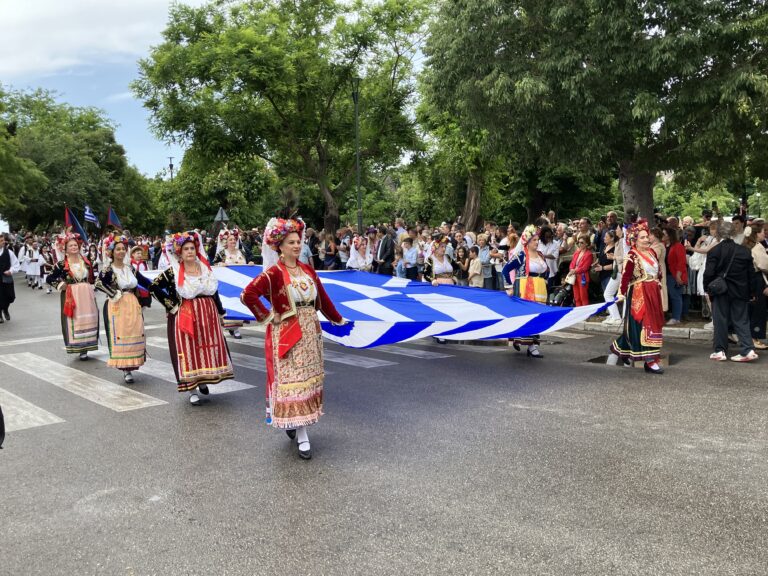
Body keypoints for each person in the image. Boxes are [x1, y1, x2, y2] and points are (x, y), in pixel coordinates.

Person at [240, 217, 346, 460]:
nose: (297, 246)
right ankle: (302, 434)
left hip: (310, 329)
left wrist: (337, 319)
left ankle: (298, 424)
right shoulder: (274, 273)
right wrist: (268, 316)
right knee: (294, 379)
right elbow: (248, 294)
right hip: (289, 331)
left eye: (299, 241)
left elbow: (323, 298)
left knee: (308, 378)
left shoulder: (307, 269)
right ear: (280, 246)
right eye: (291, 242)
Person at [148, 231, 234, 404]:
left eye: (192, 248)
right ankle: (192, 389)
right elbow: (154, 287)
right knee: (188, 350)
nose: (190, 252)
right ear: (179, 251)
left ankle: (202, 380)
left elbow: (214, 292)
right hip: (186, 314)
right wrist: (172, 305)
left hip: (207, 313)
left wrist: (220, 312)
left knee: (205, 348)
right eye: (186, 249)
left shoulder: (204, 268)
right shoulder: (173, 271)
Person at [608, 220, 665, 374]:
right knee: (643, 325)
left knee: (653, 324)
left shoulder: (652, 252)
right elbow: (625, 277)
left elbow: (658, 271)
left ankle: (621, 348)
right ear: (634, 240)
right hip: (639, 293)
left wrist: (657, 282)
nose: (647, 239)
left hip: (653, 292)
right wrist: (621, 293)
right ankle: (650, 360)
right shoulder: (632, 255)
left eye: (647, 237)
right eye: (642, 237)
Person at [703, 221, 758, 362]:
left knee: (720, 321)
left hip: (721, 291)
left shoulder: (714, 251)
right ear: (733, 233)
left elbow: (708, 273)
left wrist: (706, 288)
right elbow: (751, 274)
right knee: (742, 320)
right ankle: (748, 349)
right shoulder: (744, 251)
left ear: (719, 233)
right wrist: (752, 292)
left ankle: (720, 351)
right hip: (741, 291)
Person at [95, 235, 146, 384]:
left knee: (134, 332)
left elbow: (144, 281)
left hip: (132, 303)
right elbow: (98, 283)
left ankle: (132, 364)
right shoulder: (108, 270)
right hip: (117, 304)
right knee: (122, 333)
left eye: (124, 249)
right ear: (112, 252)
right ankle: (126, 370)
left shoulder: (130, 268)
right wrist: (112, 293)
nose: (122, 251)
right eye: (118, 249)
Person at [46, 232, 99, 360]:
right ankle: (79, 347)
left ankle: (88, 345)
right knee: (75, 319)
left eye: (76, 245)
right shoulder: (61, 264)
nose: (74, 247)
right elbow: (49, 278)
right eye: (71, 246)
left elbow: (93, 277)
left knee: (89, 318)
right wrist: (60, 284)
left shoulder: (86, 261)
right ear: (65, 249)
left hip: (86, 293)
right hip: (72, 294)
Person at [502, 225, 549, 358]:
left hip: (540, 288)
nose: (537, 242)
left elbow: (546, 270)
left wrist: (544, 279)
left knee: (538, 317)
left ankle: (527, 342)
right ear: (527, 241)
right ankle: (531, 346)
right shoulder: (521, 255)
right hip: (525, 288)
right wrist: (509, 287)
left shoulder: (540, 255)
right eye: (534, 240)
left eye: (537, 240)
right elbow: (505, 270)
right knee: (528, 316)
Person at [213, 228, 253, 339]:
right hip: (228, 286)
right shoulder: (222, 253)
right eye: (230, 240)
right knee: (230, 305)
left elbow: (250, 259)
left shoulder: (242, 251)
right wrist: (221, 264)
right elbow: (214, 264)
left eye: (234, 239)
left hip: (240, 285)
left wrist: (250, 263)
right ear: (226, 242)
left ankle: (234, 327)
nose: (233, 241)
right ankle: (234, 329)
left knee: (239, 304)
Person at [744, 223, 768, 350]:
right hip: (757, 279)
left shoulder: (745, 246)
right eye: (763, 231)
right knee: (758, 310)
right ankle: (755, 338)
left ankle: (750, 337)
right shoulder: (758, 247)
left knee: (750, 309)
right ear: (756, 233)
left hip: (747, 280)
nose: (764, 233)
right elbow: (765, 265)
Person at [664, 227, 687, 325]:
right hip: (667, 275)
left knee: (675, 296)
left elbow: (681, 262)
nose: (662, 235)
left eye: (664, 234)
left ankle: (676, 318)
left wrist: (678, 276)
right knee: (671, 296)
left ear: (669, 236)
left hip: (674, 275)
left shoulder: (678, 246)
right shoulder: (664, 246)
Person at [0, 234, 20, 324]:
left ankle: (5, 309)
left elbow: (16, 264)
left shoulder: (9, 252)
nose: (3, 242)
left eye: (3, 240)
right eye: (1, 241)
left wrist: (11, 271)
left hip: (6, 277)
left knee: (10, 296)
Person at [568, 234, 593, 306]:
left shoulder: (589, 254)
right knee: (576, 297)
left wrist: (574, 271)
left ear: (587, 244)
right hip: (574, 276)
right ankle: (579, 312)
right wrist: (571, 269)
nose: (580, 244)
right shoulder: (577, 252)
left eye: (582, 242)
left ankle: (585, 314)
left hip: (583, 277)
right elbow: (572, 263)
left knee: (583, 297)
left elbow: (585, 267)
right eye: (579, 242)